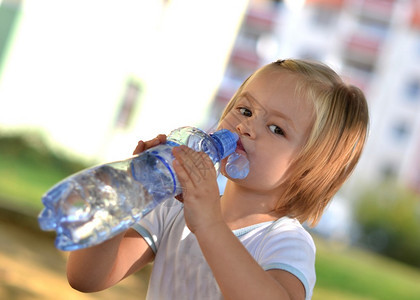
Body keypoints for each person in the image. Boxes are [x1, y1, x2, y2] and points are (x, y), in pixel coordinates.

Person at [66, 59, 369, 300]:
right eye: (244, 109)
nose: (246, 126)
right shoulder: (175, 211)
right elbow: (85, 278)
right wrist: (127, 200)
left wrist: (209, 224)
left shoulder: (285, 242)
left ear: (310, 170)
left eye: (277, 129)